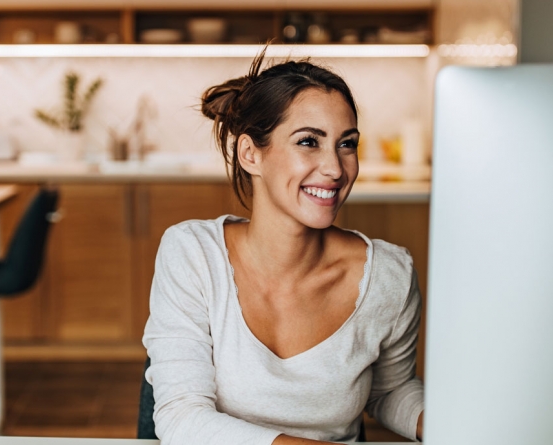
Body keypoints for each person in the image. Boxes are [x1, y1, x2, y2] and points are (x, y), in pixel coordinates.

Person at [142, 51, 425, 445]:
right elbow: (181, 417)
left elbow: (389, 389)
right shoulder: (193, 254)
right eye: (309, 141)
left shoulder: (389, 276)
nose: (335, 169)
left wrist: (438, 420)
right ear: (250, 154)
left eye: (347, 144)